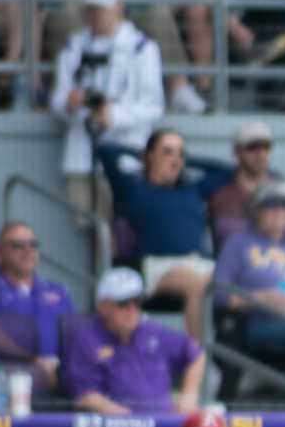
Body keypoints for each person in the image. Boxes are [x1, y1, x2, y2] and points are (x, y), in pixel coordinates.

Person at [97, 128, 232, 340]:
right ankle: (197, 357)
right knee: (197, 284)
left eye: (180, 153)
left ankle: (232, 358)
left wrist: (187, 160)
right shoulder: (134, 189)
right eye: (167, 152)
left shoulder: (192, 189)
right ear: (150, 155)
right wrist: (139, 155)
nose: (175, 159)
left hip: (201, 263)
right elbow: (106, 151)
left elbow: (227, 171)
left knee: (232, 281)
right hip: (160, 265)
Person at [49, 0, 163, 205]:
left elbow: (153, 106)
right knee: (88, 225)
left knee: (121, 228)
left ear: (118, 7)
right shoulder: (73, 47)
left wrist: (114, 115)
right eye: (91, 9)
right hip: (81, 157)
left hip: (125, 156)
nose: (95, 16)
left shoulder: (142, 48)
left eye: (101, 9)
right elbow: (57, 100)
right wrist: (69, 104)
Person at [63, 267, 205, 416]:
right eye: (123, 303)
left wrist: (189, 395)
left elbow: (195, 353)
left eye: (137, 302)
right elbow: (86, 395)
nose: (132, 309)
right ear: (102, 306)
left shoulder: (152, 331)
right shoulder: (86, 338)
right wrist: (127, 418)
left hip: (165, 425)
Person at [211, 181, 285, 382]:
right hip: (251, 321)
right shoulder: (238, 243)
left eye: (284, 206)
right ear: (257, 210)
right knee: (230, 330)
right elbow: (218, 294)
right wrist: (259, 299)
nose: (278, 211)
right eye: (270, 204)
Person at [0, 223, 70, 383]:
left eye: (33, 245)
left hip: (59, 372)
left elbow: (74, 335)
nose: (28, 250)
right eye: (17, 246)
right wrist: (34, 360)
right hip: (11, 370)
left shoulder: (57, 291)